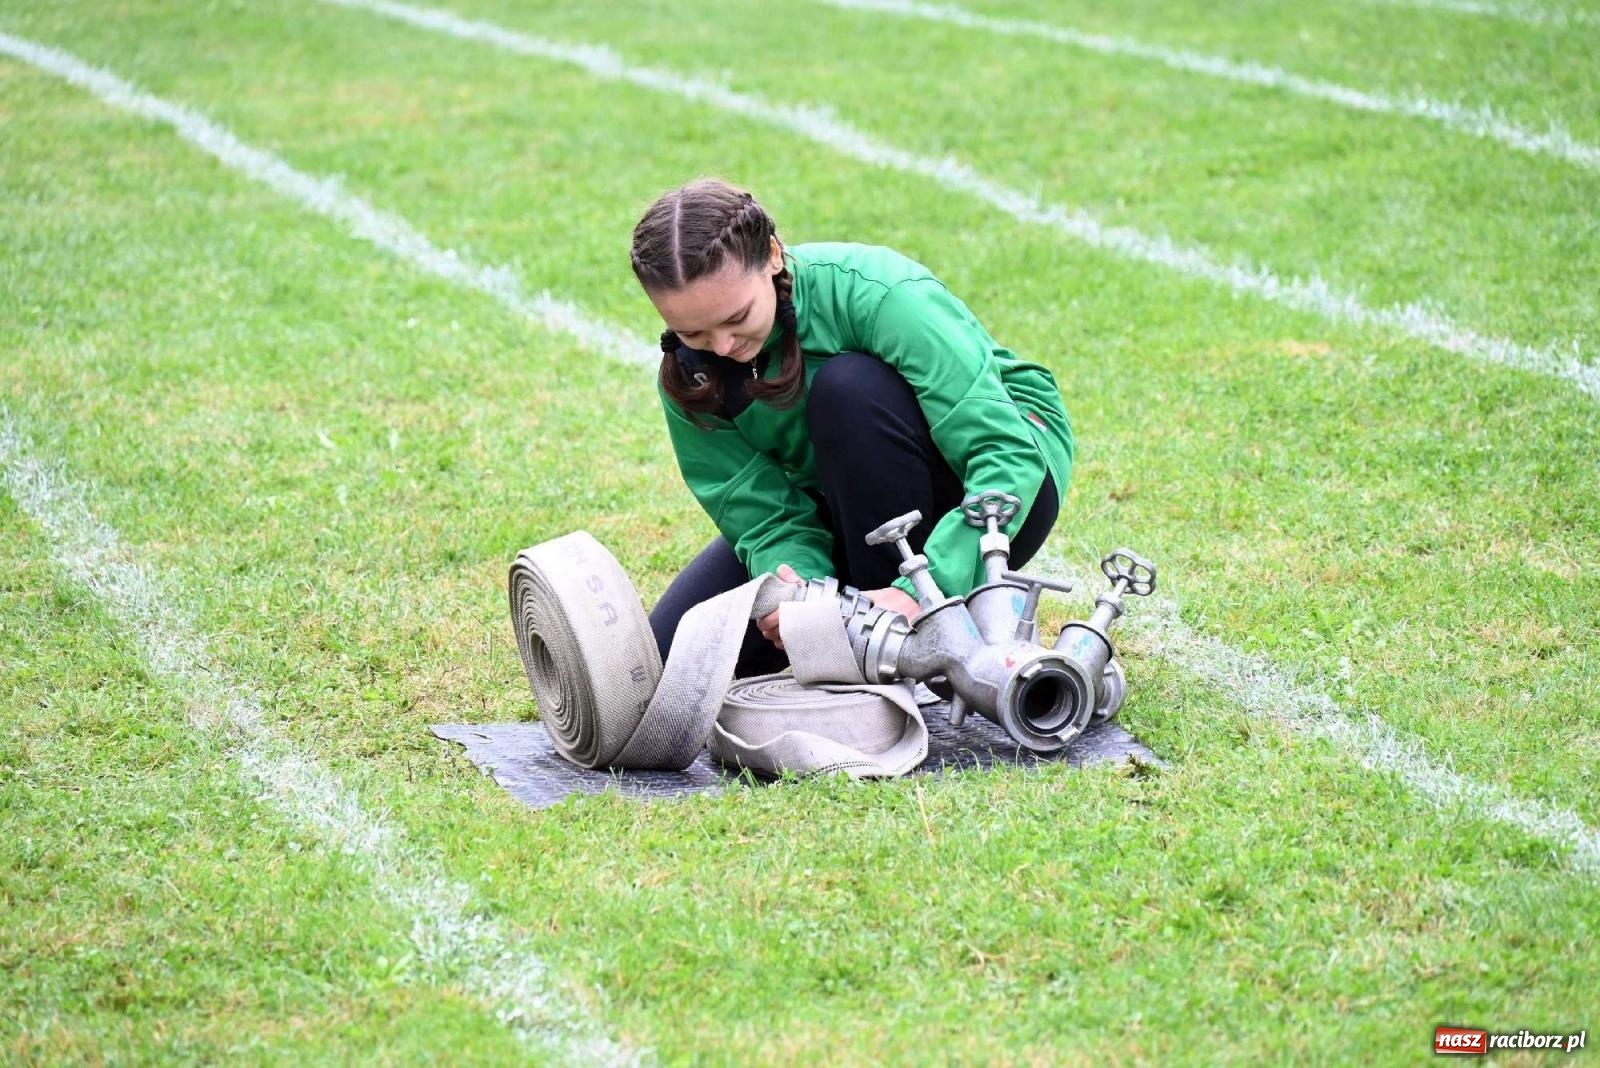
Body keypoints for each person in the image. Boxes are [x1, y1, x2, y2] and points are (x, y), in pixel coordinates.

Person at [631, 177, 1074, 678]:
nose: (724, 345)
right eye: (693, 331)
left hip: (998, 484)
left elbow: (1003, 449)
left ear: (773, 255)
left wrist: (915, 595)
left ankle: (909, 632)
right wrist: (801, 596)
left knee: (849, 387)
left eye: (738, 317)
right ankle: (865, 634)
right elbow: (763, 517)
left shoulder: (881, 291)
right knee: (669, 662)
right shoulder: (690, 376)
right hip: (842, 500)